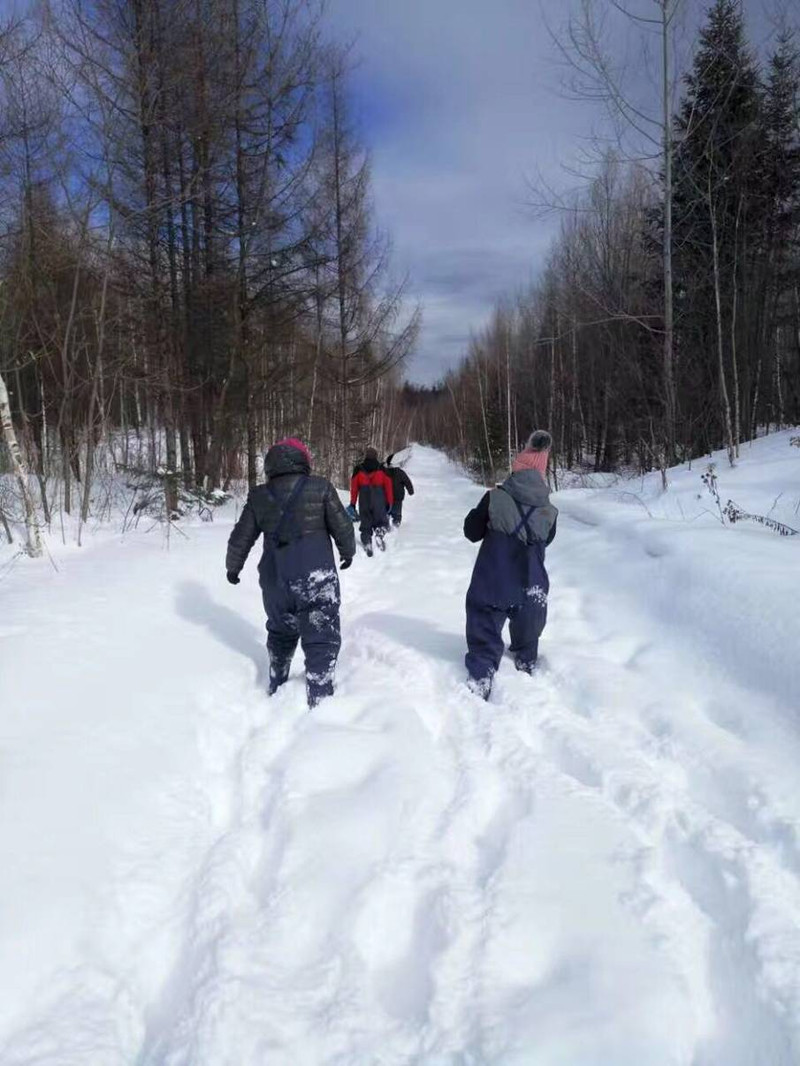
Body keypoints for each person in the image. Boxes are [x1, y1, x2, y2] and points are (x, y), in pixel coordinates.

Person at [225, 437, 355, 708]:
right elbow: (342, 526)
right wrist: (347, 552)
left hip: (275, 581)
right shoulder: (321, 488)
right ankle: (319, 699)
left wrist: (233, 567)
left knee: (281, 634)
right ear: (303, 461)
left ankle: (277, 684)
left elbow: (240, 538)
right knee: (320, 635)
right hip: (315, 577)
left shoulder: (259, 496)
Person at [462, 430, 558, 699]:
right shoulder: (550, 511)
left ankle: (481, 675)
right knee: (529, 631)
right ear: (541, 474)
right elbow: (546, 541)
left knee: (484, 623)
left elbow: (471, 531)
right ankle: (526, 671)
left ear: (518, 468)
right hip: (532, 585)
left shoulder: (495, 498)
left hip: (493, 579)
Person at [349, 446, 393, 556]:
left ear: (365, 457)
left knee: (366, 524)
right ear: (376, 456)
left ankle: (367, 542)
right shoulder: (382, 469)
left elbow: (354, 488)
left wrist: (353, 504)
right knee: (381, 522)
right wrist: (390, 502)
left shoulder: (358, 469)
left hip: (364, 499)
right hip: (379, 500)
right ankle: (379, 534)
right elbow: (388, 487)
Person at [384, 452, 415, 527]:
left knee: (386, 512)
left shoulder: (384, 472)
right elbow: (407, 482)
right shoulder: (400, 473)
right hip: (398, 498)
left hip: (386, 497)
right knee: (397, 514)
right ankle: (396, 525)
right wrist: (411, 491)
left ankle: (386, 525)